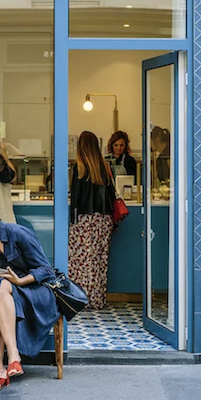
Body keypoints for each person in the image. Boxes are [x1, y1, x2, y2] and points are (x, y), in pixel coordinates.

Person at [0, 193, 60, 393]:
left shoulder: (18, 233)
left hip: (36, 291)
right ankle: (5, 365)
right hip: (7, 295)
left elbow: (46, 270)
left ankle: (4, 363)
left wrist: (20, 280)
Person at [68, 131, 115, 310]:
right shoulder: (104, 167)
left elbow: (76, 199)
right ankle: (97, 299)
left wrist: (73, 221)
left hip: (85, 220)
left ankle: (81, 298)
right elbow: (111, 194)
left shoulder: (79, 168)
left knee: (81, 261)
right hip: (103, 220)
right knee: (99, 261)